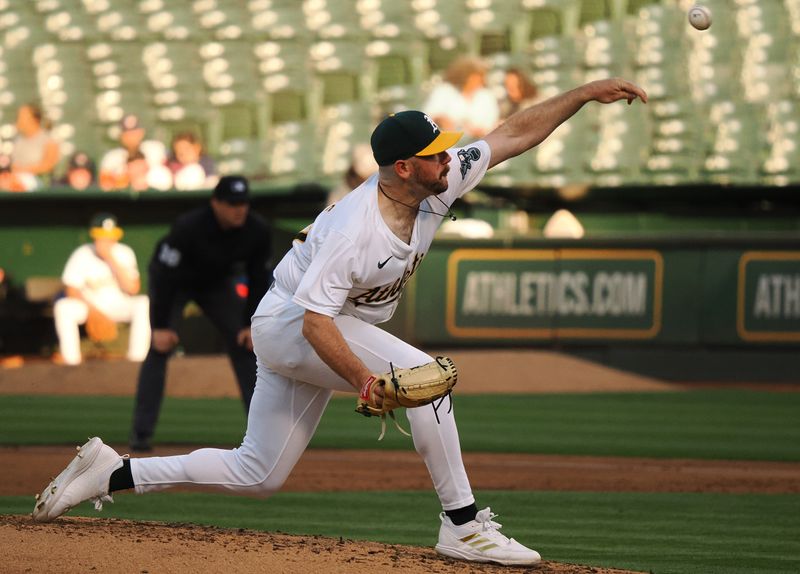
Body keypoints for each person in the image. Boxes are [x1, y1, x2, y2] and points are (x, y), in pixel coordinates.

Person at [32, 78, 648, 566]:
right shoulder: (355, 231)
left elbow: (514, 132)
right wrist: (364, 381)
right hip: (295, 324)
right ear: (404, 167)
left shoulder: (439, 178)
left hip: (315, 325)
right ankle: (462, 525)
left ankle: (112, 470)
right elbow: (315, 325)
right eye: (435, 154)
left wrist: (586, 92)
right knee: (420, 379)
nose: (449, 158)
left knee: (259, 473)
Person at [128, 175, 272, 452]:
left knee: (245, 346)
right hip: (175, 284)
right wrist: (160, 325)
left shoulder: (256, 230)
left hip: (216, 285)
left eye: (243, 203)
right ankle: (141, 434)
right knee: (159, 348)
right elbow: (163, 275)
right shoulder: (189, 227)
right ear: (215, 203)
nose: (239, 209)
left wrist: (249, 323)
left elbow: (257, 278)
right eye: (231, 204)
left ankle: (264, 435)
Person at [53, 213, 151, 366]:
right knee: (63, 307)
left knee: (144, 303)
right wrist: (94, 313)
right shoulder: (82, 253)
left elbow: (133, 289)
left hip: (117, 306)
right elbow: (71, 291)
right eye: (103, 237)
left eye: (110, 236)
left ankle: (136, 361)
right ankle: (71, 362)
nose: (108, 240)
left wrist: (110, 258)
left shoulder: (124, 252)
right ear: (94, 236)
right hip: (89, 307)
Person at [422, 56, 500, 138]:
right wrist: (441, 119)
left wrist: (478, 131)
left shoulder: (487, 96)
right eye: (473, 77)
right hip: (447, 143)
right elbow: (427, 117)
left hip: (478, 143)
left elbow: (491, 125)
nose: (476, 81)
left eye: (479, 77)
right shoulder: (444, 91)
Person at [98, 114, 170, 191]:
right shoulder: (111, 157)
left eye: (134, 132)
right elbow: (105, 185)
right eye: (127, 133)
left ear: (141, 132)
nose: (131, 137)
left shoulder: (156, 148)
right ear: (121, 136)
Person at [10, 103, 61, 189]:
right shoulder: (17, 140)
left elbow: (49, 165)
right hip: (16, 183)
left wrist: (23, 171)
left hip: (39, 185)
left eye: (22, 117)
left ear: (35, 120)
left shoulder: (48, 140)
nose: (18, 120)